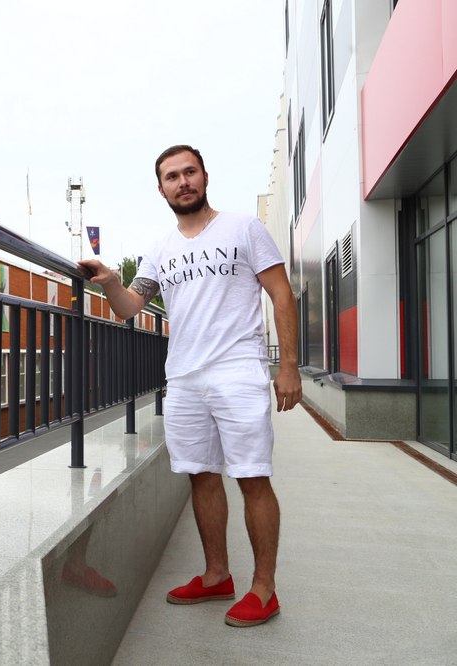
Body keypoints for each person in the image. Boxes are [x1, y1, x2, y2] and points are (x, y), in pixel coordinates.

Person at [78, 144, 302, 628]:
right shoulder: (160, 249)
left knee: (251, 476)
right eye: (171, 177)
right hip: (183, 377)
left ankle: (264, 589)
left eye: (189, 172)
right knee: (201, 474)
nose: (182, 182)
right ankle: (217, 574)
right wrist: (112, 280)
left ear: (204, 176)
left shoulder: (243, 227)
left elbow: (281, 293)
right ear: (160, 189)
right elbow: (130, 307)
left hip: (238, 370)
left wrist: (289, 367)